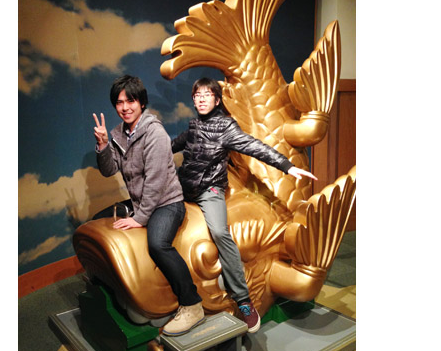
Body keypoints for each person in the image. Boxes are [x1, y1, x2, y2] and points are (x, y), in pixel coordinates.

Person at [172, 77, 318, 333]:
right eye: (197, 95)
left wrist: (287, 166)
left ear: (217, 100)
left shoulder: (225, 127)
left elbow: (254, 147)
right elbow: (172, 145)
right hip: (183, 188)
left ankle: (244, 300)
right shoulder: (194, 126)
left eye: (207, 95)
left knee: (220, 232)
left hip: (209, 191)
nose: (202, 99)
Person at [91, 75, 204, 336]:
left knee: (158, 244)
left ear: (141, 103)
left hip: (167, 202)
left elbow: (156, 181)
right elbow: (109, 170)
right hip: (139, 202)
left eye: (130, 101)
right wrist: (103, 145)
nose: (125, 107)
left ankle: (192, 304)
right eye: (119, 102)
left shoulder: (154, 132)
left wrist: (139, 218)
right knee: (97, 221)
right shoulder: (118, 134)